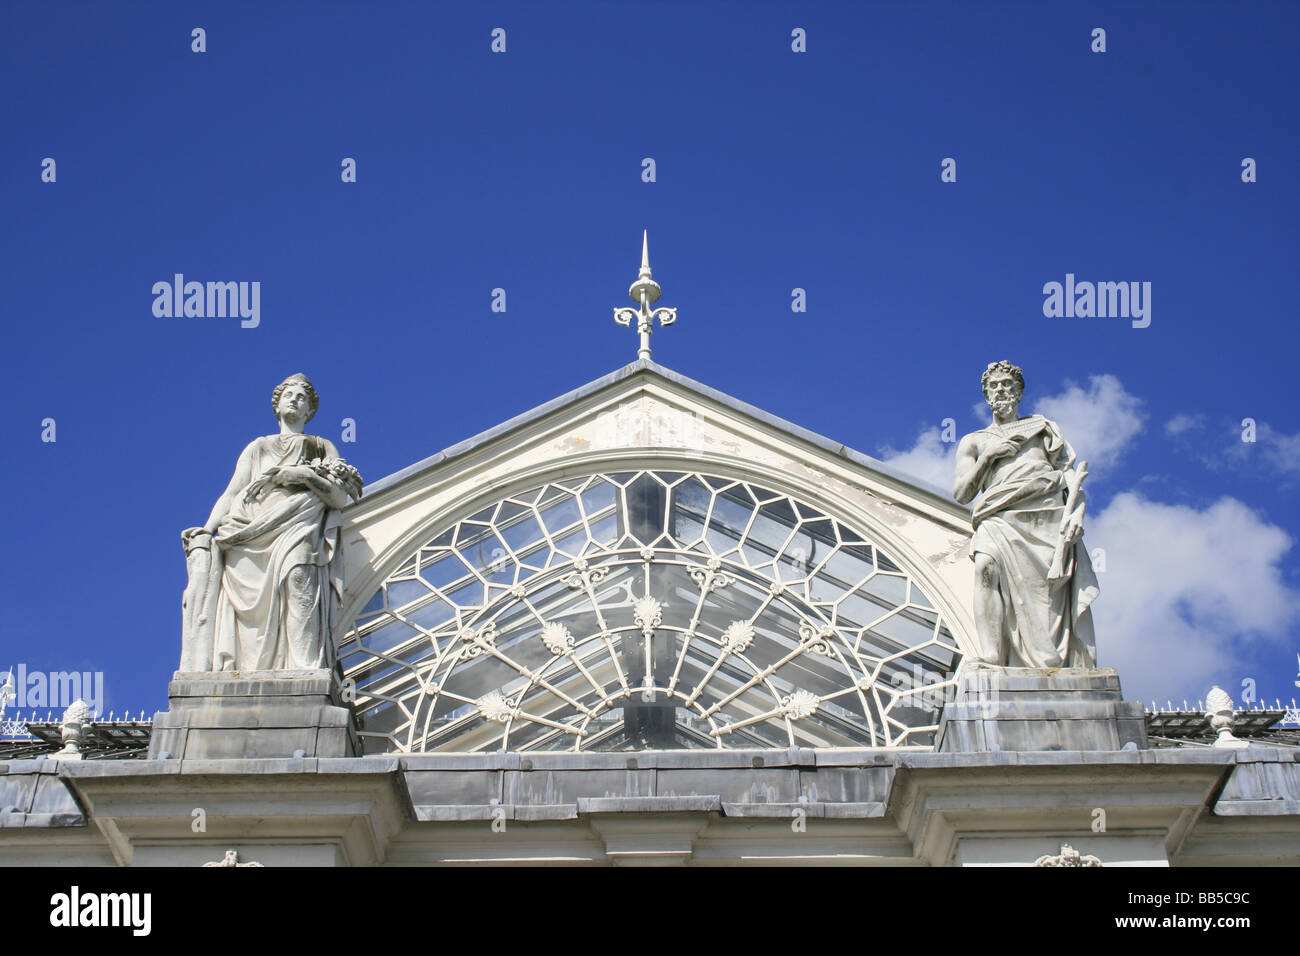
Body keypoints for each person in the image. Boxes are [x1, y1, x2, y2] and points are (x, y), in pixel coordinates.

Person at [180, 374, 361, 672]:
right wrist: (208, 529)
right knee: (248, 609)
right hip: (247, 529)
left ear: (309, 411)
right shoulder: (258, 448)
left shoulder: (321, 446)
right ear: (277, 406)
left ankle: (302, 668)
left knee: (299, 579)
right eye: (289, 395)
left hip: (299, 524)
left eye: (302, 397)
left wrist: (303, 476)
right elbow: (233, 490)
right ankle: (249, 668)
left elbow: (339, 498)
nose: (295, 400)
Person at [952, 361, 1098, 668]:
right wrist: (989, 457)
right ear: (986, 394)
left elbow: (1069, 477)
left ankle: (1047, 658)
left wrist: (1077, 514)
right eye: (994, 385)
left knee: (1045, 594)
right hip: (997, 516)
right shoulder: (974, 441)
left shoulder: (1042, 429)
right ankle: (992, 654)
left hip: (1045, 516)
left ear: (1019, 392)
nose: (1001, 390)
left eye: (1007, 384)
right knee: (985, 569)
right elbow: (962, 493)